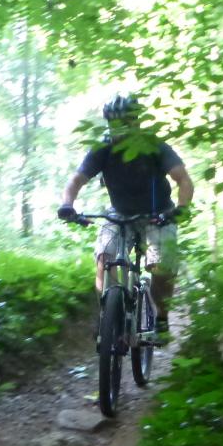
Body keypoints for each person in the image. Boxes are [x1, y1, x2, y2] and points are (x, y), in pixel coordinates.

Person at [57, 94, 194, 334]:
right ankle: (109, 312)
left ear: (136, 121)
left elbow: (183, 179)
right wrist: (67, 205)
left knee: (161, 266)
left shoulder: (154, 146)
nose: (118, 127)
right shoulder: (103, 148)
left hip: (158, 214)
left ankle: (161, 317)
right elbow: (76, 181)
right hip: (119, 213)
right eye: (113, 122)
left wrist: (181, 209)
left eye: (124, 121)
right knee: (104, 258)